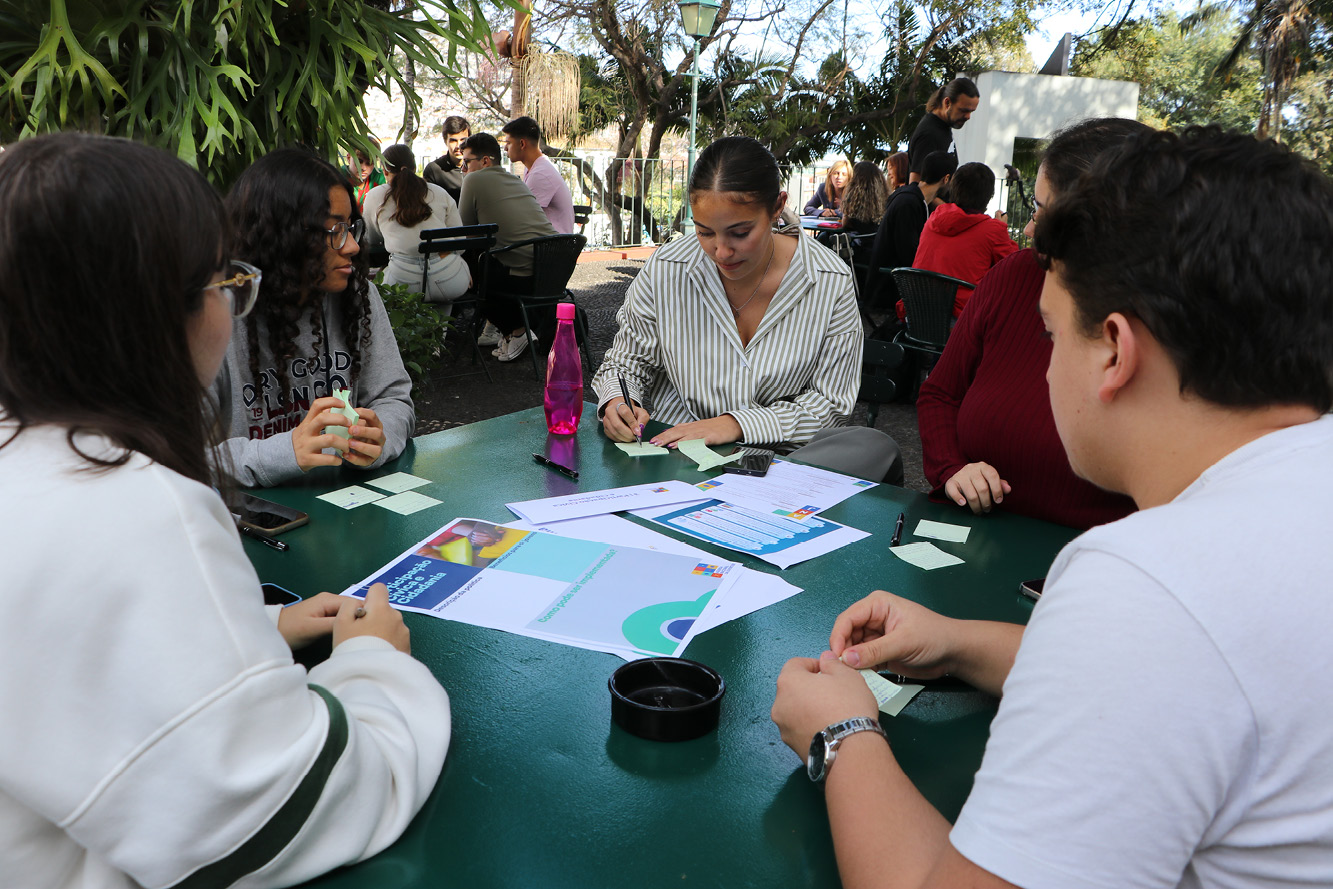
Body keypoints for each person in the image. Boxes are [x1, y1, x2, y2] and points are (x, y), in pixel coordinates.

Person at [772, 125, 1333, 888]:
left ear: (1112, 350)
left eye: (1047, 333)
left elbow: (1164, 642)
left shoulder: (1147, 583)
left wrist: (838, 735)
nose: (1040, 371)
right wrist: (960, 642)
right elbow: (1180, 681)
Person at [0, 132, 450, 888]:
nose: (234, 297)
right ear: (154, 312)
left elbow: (78, 660)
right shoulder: (137, 507)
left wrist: (262, 626)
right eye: (224, 281)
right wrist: (375, 660)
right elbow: (294, 811)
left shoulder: (31, 453)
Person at [592, 136, 903, 485]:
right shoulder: (669, 267)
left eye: (740, 233)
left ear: (776, 207)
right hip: (667, 463)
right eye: (704, 231)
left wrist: (736, 424)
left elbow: (830, 406)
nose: (721, 251)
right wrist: (619, 400)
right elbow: (627, 362)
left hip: (775, 471)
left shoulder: (828, 280)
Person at [917, 118, 1144, 527]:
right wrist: (952, 469)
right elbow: (939, 394)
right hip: (969, 535)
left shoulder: (1161, 332)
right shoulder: (1014, 275)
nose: (1026, 228)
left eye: (1040, 211)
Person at [214, 148, 415, 487]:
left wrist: (380, 438)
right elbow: (176, 457)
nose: (351, 245)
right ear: (282, 237)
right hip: (246, 521)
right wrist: (284, 453)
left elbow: (393, 395)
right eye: (335, 229)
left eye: (350, 227)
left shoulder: (358, 295)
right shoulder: (215, 317)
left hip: (349, 510)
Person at [456, 132, 560, 363]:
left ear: (485, 161)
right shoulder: (515, 179)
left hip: (521, 276)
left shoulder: (473, 180)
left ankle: (516, 331)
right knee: (486, 261)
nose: (463, 168)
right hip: (553, 270)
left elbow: (465, 231)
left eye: (466, 162)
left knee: (468, 271)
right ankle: (510, 332)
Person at [364, 143, 471, 306]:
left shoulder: (376, 196)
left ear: (385, 171)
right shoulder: (439, 193)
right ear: (414, 168)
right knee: (443, 289)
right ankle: (440, 330)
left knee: (383, 282)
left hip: (402, 281)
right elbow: (460, 243)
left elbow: (370, 238)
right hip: (450, 279)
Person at [909, 161, 1017, 319]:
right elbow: (1015, 268)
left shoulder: (935, 217)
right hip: (958, 322)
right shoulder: (992, 230)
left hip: (916, 314)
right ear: (989, 196)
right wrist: (1002, 229)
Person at [863, 151, 955, 316]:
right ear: (946, 179)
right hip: (888, 292)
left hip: (887, 285)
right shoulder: (909, 203)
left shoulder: (910, 197)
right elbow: (908, 254)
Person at [501, 115, 576, 234]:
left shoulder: (540, 174)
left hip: (552, 247)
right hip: (547, 242)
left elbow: (523, 218)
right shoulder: (535, 167)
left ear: (522, 144)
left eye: (508, 143)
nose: (505, 148)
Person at [907, 77, 979, 182]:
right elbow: (916, 187)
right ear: (947, 103)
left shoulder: (943, 127)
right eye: (963, 110)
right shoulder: (929, 134)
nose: (968, 116)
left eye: (971, 112)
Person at [423, 114, 470, 204]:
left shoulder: (478, 167)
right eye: (453, 140)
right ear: (445, 141)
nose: (458, 146)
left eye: (463, 140)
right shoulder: (434, 170)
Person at [347, 146, 385, 214]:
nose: (363, 168)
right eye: (359, 161)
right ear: (349, 158)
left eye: (369, 163)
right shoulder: (337, 176)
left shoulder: (378, 176)